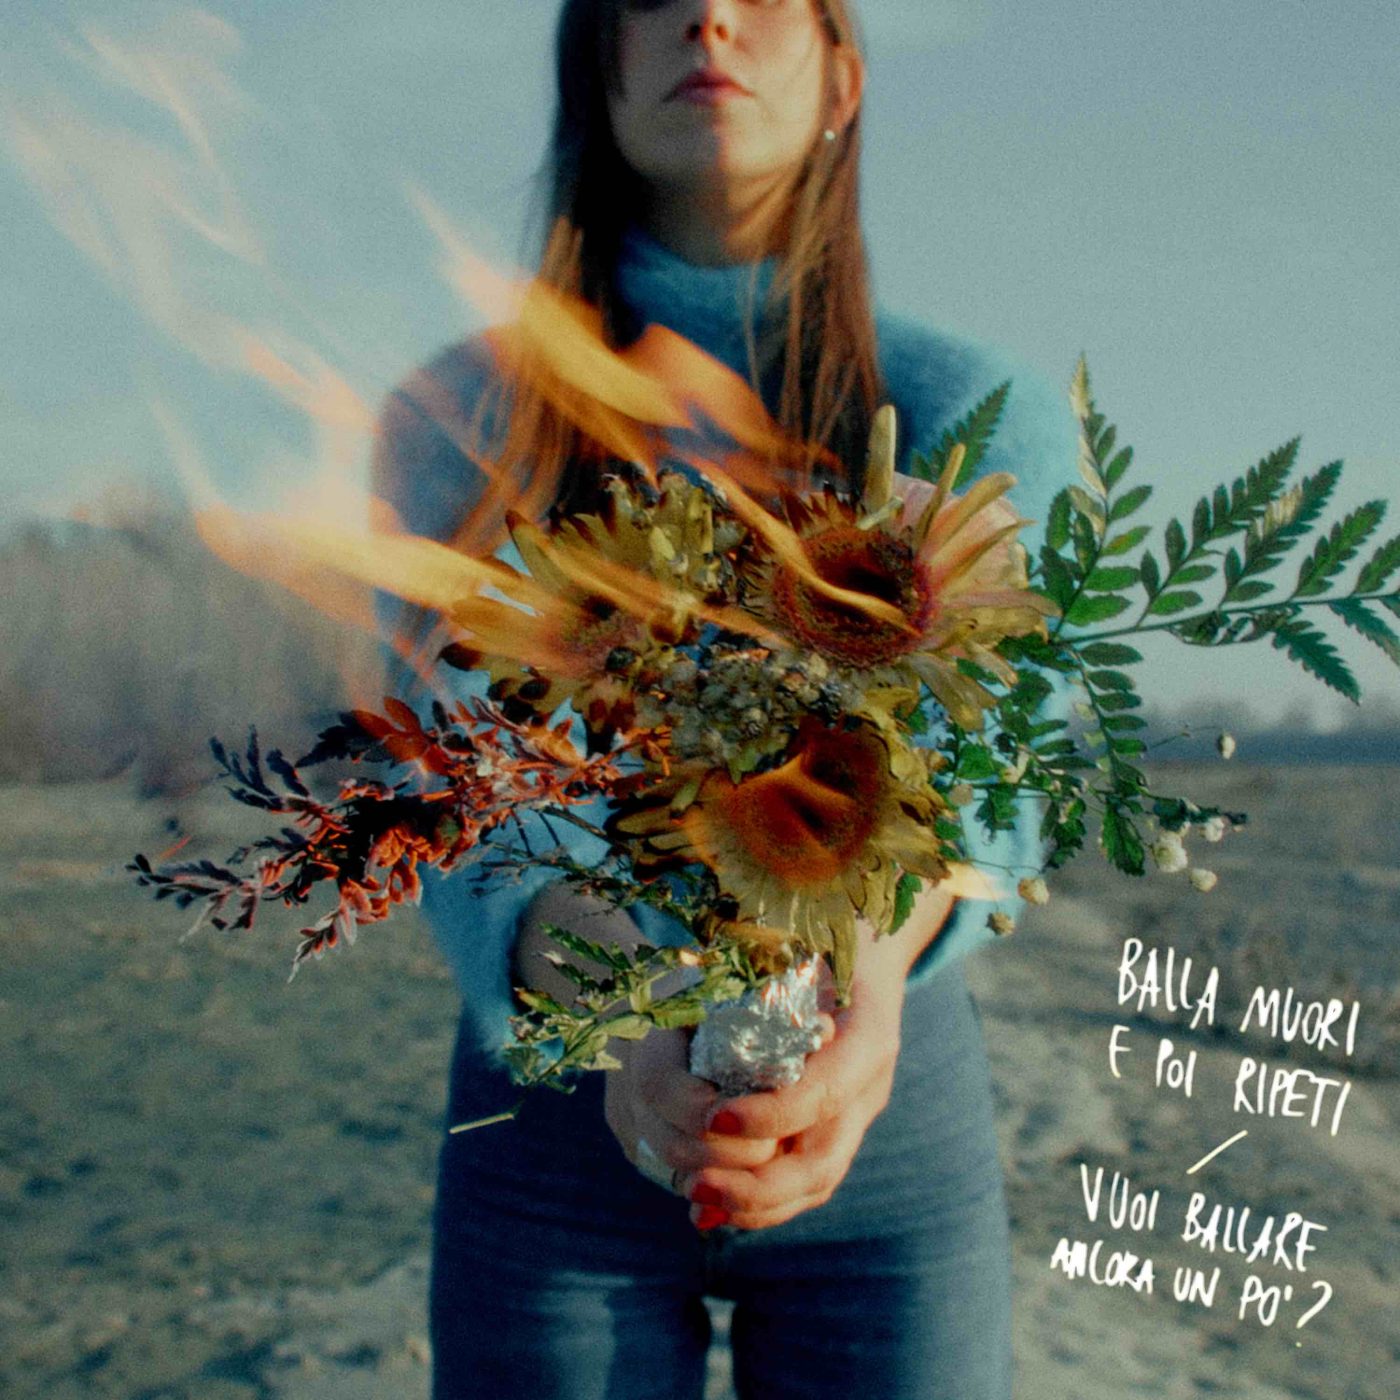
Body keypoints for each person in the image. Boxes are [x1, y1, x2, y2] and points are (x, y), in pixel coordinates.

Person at [371, 3, 1076, 1396]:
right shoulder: (456, 422)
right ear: (594, 63)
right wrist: (628, 1012)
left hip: (879, 1111)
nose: (709, 16)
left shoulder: (969, 414)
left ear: (842, 76)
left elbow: (995, 776)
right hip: (556, 1120)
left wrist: (861, 1001)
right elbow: (447, 790)